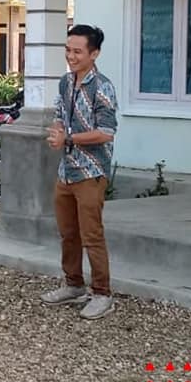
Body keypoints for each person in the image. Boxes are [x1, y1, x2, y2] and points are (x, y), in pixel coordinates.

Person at [41, 24, 118, 320]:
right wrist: (57, 131)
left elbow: (106, 132)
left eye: (77, 51)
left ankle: (102, 293)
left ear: (94, 54)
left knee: (91, 235)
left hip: (91, 171)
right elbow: (59, 115)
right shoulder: (66, 82)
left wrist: (69, 139)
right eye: (68, 50)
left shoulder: (103, 87)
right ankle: (73, 285)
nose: (71, 56)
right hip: (66, 171)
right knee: (68, 233)